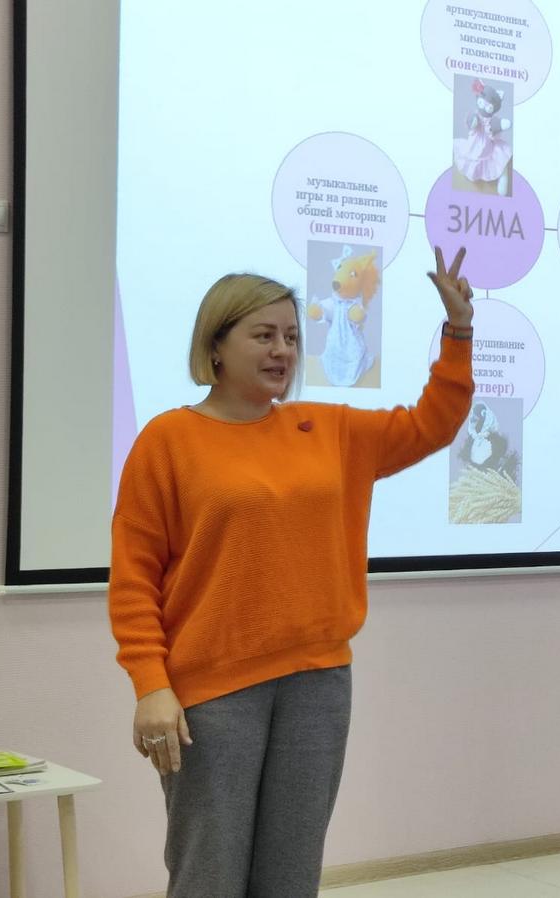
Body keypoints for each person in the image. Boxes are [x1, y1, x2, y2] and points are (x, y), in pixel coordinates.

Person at [108, 246, 475, 898]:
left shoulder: (327, 429)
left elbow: (432, 424)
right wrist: (150, 685)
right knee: (208, 874)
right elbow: (135, 576)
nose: (283, 350)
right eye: (263, 335)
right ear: (215, 346)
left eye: (292, 337)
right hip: (212, 693)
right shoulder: (167, 440)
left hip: (318, 682)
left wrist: (459, 331)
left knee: (290, 875)